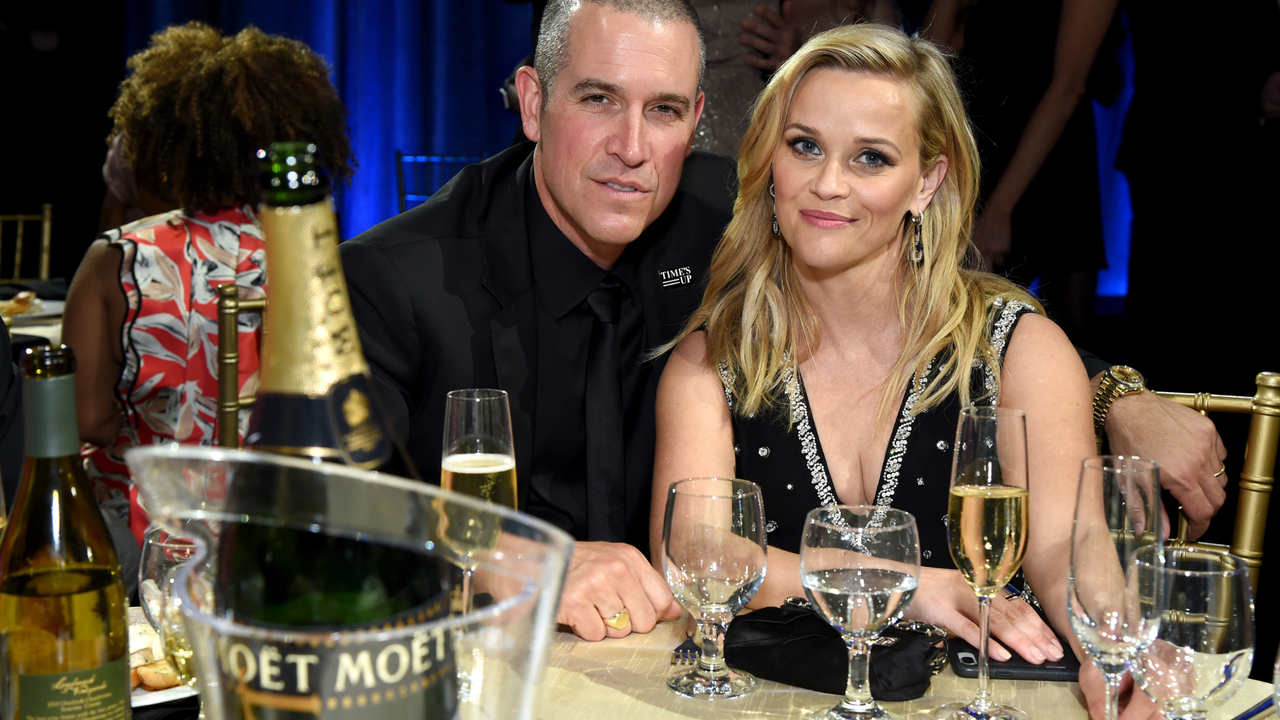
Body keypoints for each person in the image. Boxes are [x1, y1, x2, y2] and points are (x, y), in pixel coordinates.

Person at [647, 23, 1139, 717]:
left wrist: (1111, 648)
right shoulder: (714, 355)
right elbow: (693, 556)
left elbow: (1067, 542)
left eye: (871, 159)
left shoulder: (1016, 347)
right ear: (770, 163)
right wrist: (911, 584)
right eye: (805, 146)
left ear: (927, 181)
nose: (827, 184)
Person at [340, 0, 731, 642]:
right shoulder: (394, 279)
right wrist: (516, 559)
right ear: (531, 104)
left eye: (664, 110)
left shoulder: (724, 233)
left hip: (667, 655)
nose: (632, 149)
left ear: (695, 123)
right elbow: (318, 505)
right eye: (599, 99)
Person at [62, 22, 355, 542]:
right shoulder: (310, 256)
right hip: (276, 526)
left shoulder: (114, 258)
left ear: (165, 141)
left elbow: (85, 421)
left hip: (143, 530)